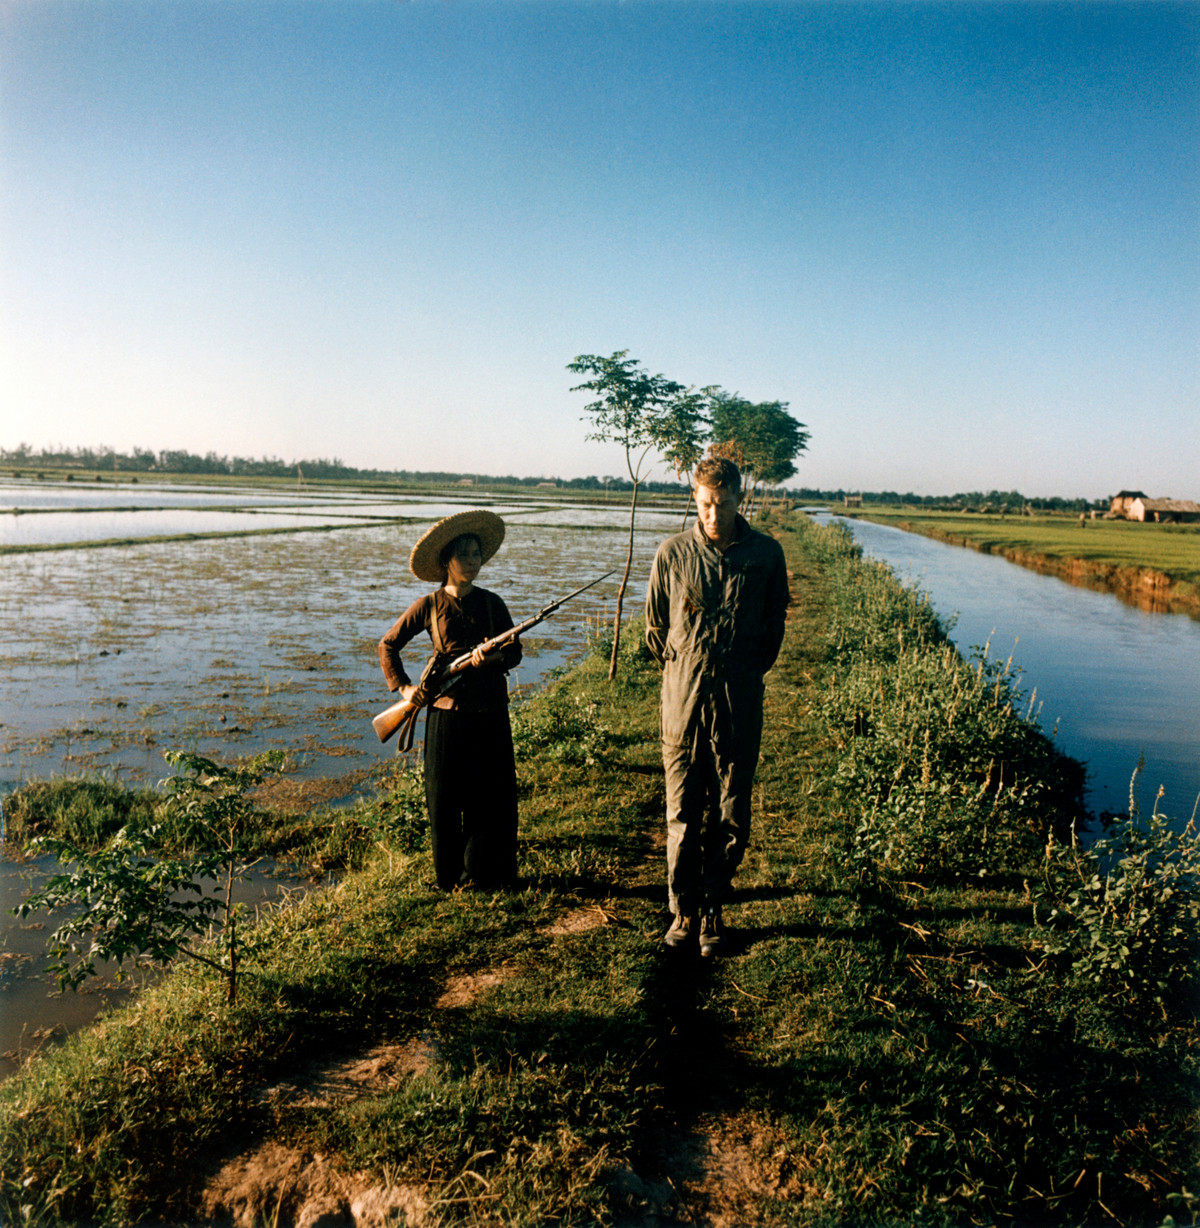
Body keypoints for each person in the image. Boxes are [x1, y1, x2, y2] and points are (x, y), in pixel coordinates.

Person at [644, 457, 790, 956]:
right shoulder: (672, 554)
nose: (713, 515)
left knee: (731, 809)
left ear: (738, 500)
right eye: (705, 504)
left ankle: (713, 905)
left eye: (722, 505)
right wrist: (688, 671)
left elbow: (773, 630)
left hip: (737, 702)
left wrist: (741, 673)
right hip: (682, 704)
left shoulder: (767, 555)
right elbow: (654, 630)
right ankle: (682, 907)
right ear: (694, 499)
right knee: (682, 811)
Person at [378, 509, 521, 891]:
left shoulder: (492, 604)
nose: (473, 562)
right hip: (446, 716)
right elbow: (388, 645)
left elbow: (515, 651)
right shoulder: (428, 605)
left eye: (477, 554)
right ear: (447, 561)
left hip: (490, 714)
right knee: (443, 799)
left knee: (492, 797)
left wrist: (492, 659)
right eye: (465, 555)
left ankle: (488, 874)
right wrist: (405, 689)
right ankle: (449, 879)